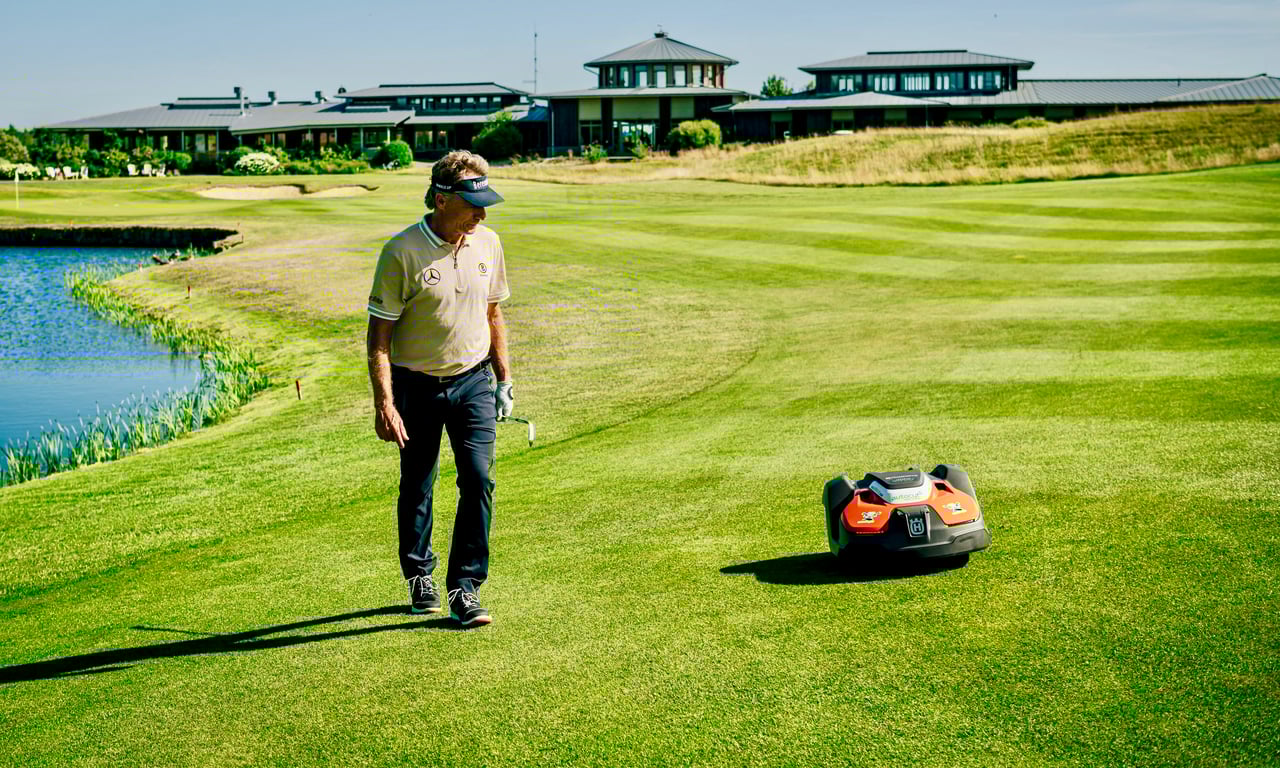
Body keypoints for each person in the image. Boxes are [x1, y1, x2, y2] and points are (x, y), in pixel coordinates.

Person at [366, 150, 513, 627]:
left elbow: (494, 314)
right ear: (443, 199)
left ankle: (465, 587)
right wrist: (384, 403)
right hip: (416, 385)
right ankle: (419, 576)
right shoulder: (401, 251)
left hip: (473, 380)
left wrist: (505, 379)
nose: (483, 213)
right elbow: (379, 335)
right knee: (418, 482)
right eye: (474, 203)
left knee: (478, 478)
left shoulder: (488, 242)